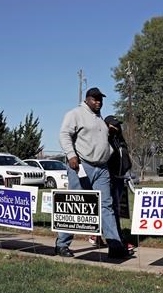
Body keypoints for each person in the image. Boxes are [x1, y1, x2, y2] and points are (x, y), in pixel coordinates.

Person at [56, 87, 133, 259]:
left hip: (102, 168)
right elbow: (64, 134)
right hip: (81, 166)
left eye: (100, 99)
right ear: (87, 99)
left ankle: (114, 244)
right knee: (74, 206)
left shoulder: (100, 120)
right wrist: (71, 155)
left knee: (106, 206)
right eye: (95, 99)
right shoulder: (75, 114)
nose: (98, 102)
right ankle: (62, 244)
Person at [103, 114, 135, 252]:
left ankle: (112, 237)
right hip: (109, 178)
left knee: (115, 208)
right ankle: (117, 240)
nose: (116, 127)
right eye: (113, 125)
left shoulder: (120, 140)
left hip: (120, 178)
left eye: (117, 125)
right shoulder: (105, 140)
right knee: (110, 209)